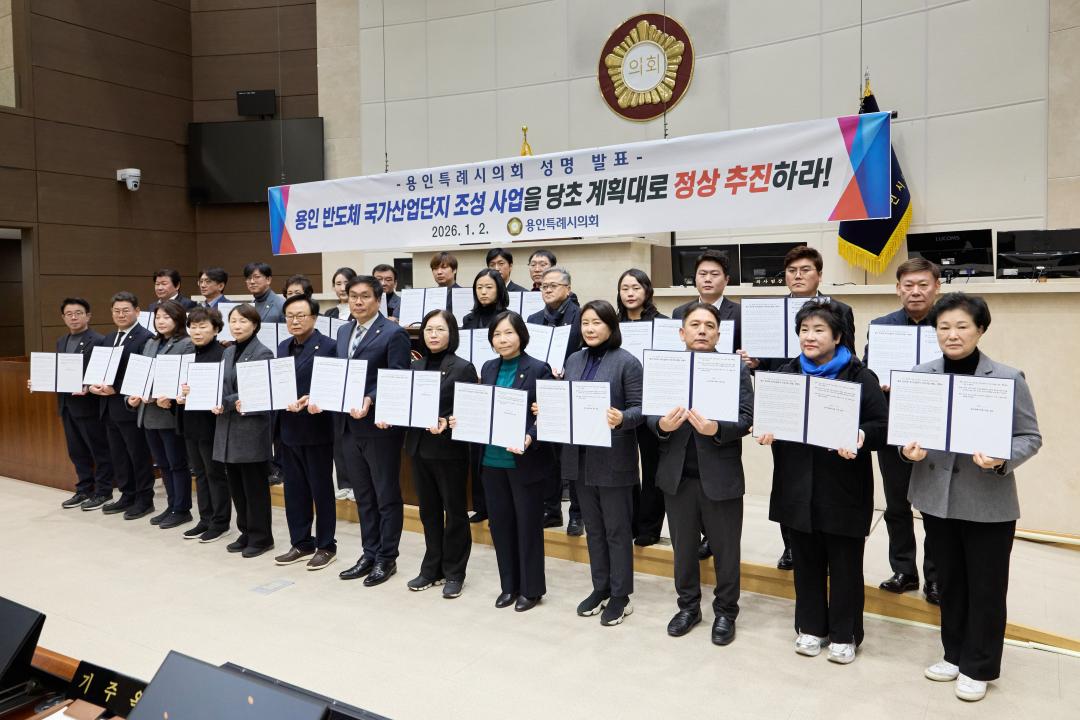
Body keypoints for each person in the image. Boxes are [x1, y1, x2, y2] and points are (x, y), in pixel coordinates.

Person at [903, 293, 1041, 702]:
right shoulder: (921, 375)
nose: (952, 334)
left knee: (986, 587)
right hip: (936, 498)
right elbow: (907, 431)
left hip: (987, 501)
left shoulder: (1008, 377)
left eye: (962, 326)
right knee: (950, 581)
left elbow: (1030, 436)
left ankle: (978, 665)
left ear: (980, 329)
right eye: (944, 327)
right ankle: (953, 654)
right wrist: (907, 451)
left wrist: (1002, 458)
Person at [759, 300, 887, 665]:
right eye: (804, 330)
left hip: (843, 485)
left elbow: (883, 426)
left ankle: (846, 634)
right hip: (797, 483)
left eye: (818, 330)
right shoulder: (785, 374)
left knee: (845, 564)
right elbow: (770, 418)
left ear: (837, 336)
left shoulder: (859, 376)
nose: (809, 337)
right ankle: (811, 627)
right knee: (806, 560)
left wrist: (861, 436)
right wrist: (766, 430)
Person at [745, 245, 857, 571]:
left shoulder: (841, 309)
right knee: (788, 476)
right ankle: (791, 545)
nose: (797, 276)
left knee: (826, 474)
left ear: (819, 275)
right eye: (792, 271)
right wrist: (755, 364)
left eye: (805, 270)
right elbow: (766, 364)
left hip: (827, 401)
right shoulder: (770, 311)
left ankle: (824, 541)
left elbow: (849, 357)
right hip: (785, 403)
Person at [649, 303, 753, 646]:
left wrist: (716, 429)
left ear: (719, 334)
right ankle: (688, 607)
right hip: (677, 476)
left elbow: (747, 418)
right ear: (682, 333)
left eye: (709, 325)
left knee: (726, 549)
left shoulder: (734, 369)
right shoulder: (667, 368)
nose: (702, 330)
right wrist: (661, 426)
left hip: (720, 475)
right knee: (683, 549)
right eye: (695, 325)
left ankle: (726, 611)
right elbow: (650, 415)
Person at [450, 311, 554, 612]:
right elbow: (482, 409)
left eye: (509, 333)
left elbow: (547, 413)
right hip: (492, 460)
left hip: (524, 460)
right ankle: (509, 586)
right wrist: (462, 419)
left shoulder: (538, 368)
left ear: (521, 335)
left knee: (528, 527)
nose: (503, 339)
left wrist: (531, 436)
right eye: (497, 334)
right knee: (501, 526)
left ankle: (531, 590)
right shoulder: (489, 367)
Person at [314, 276, 411, 586]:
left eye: (365, 296)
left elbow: (398, 377)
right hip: (346, 425)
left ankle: (387, 557)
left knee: (385, 495)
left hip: (378, 427)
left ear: (378, 300)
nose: (357, 301)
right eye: (353, 295)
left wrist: (372, 398)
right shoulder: (344, 331)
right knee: (363, 496)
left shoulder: (394, 333)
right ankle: (369, 553)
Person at [556, 300, 643, 626]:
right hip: (579, 457)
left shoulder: (627, 362)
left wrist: (622, 418)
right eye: (585, 323)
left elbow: (641, 408)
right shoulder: (574, 359)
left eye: (597, 322)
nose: (590, 329)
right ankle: (600, 587)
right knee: (593, 529)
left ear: (611, 326)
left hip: (612, 458)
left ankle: (621, 595)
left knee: (617, 531)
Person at [866, 257, 942, 603]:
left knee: (934, 507)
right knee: (897, 503)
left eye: (923, 285)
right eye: (908, 285)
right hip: (894, 424)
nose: (915, 292)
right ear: (898, 289)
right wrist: (877, 381)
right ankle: (904, 571)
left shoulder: (947, 323)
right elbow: (868, 370)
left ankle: (936, 577)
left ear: (936, 287)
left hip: (935, 425)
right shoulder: (882, 327)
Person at [401, 309, 477, 598]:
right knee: (428, 512)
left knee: (455, 513)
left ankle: (455, 571)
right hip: (418, 448)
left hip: (448, 450)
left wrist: (446, 422)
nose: (433, 335)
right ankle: (432, 567)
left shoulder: (463, 368)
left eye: (440, 329)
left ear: (451, 333)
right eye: (429, 329)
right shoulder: (415, 366)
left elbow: (468, 413)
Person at [274, 295, 338, 571]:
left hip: (317, 428)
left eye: (300, 315)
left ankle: (326, 546)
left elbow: (335, 385)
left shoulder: (330, 346)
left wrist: (314, 398)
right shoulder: (283, 346)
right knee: (294, 490)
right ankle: (301, 542)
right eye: (290, 316)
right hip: (288, 428)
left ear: (314, 317)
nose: (295, 321)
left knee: (321, 490)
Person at [212, 304, 276, 559]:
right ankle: (246, 531)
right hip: (228, 427)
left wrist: (224, 401)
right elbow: (221, 384)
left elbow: (257, 388)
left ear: (255, 325)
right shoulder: (228, 351)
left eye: (243, 321)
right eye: (233, 321)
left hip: (251, 428)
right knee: (236, 485)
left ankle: (262, 537)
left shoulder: (263, 352)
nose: (237, 326)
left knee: (254, 486)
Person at [87, 292, 156, 520]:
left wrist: (115, 388)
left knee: (138, 455)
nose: (121, 314)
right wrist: (93, 385)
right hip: (107, 406)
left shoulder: (145, 338)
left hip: (130, 407)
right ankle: (127, 495)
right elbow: (100, 370)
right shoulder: (108, 338)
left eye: (126, 310)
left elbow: (143, 373)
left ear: (137, 311)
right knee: (119, 455)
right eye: (116, 311)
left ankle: (144, 499)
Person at [128, 300, 195, 529]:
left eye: (167, 317)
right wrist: (133, 396)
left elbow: (186, 379)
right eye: (158, 317)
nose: (161, 321)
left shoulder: (186, 344)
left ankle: (182, 509)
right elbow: (141, 374)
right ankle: (171, 504)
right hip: (148, 413)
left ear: (178, 319)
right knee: (163, 465)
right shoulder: (151, 342)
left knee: (177, 463)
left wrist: (168, 396)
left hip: (169, 414)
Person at [528, 267, 583, 534]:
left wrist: (568, 371)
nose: (547, 289)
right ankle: (551, 510)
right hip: (543, 390)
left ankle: (577, 514)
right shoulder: (533, 319)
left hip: (572, 389)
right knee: (547, 454)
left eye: (553, 285)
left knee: (571, 456)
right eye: (544, 286)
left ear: (568, 289)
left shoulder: (580, 316)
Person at [44, 298, 113, 510]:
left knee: (98, 450)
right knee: (76, 451)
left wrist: (88, 385)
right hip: (66, 405)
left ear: (88, 316)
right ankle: (84, 489)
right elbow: (60, 372)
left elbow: (103, 373)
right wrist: (40, 380)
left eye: (78, 313)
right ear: (63, 317)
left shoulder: (99, 340)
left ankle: (103, 492)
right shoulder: (61, 340)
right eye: (69, 314)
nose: (73, 317)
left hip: (89, 405)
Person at [616, 269, 666, 547]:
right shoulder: (612, 325)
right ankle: (629, 520)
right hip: (620, 405)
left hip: (653, 405)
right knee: (624, 464)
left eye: (636, 287)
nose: (630, 293)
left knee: (652, 465)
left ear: (647, 291)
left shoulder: (664, 324)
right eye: (625, 288)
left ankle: (649, 525)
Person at [177, 307, 231, 543]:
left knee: (215, 474)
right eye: (193, 327)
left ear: (216, 329)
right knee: (199, 473)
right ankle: (205, 518)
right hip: (190, 421)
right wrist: (179, 395)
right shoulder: (188, 355)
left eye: (203, 327)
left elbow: (226, 389)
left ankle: (220, 522)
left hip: (212, 422)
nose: (197, 332)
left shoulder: (222, 355)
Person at [671, 249, 741, 349]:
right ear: (695, 278)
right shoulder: (679, 312)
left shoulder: (740, 313)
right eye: (703, 274)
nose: (708, 279)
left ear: (726, 280)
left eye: (714, 274)